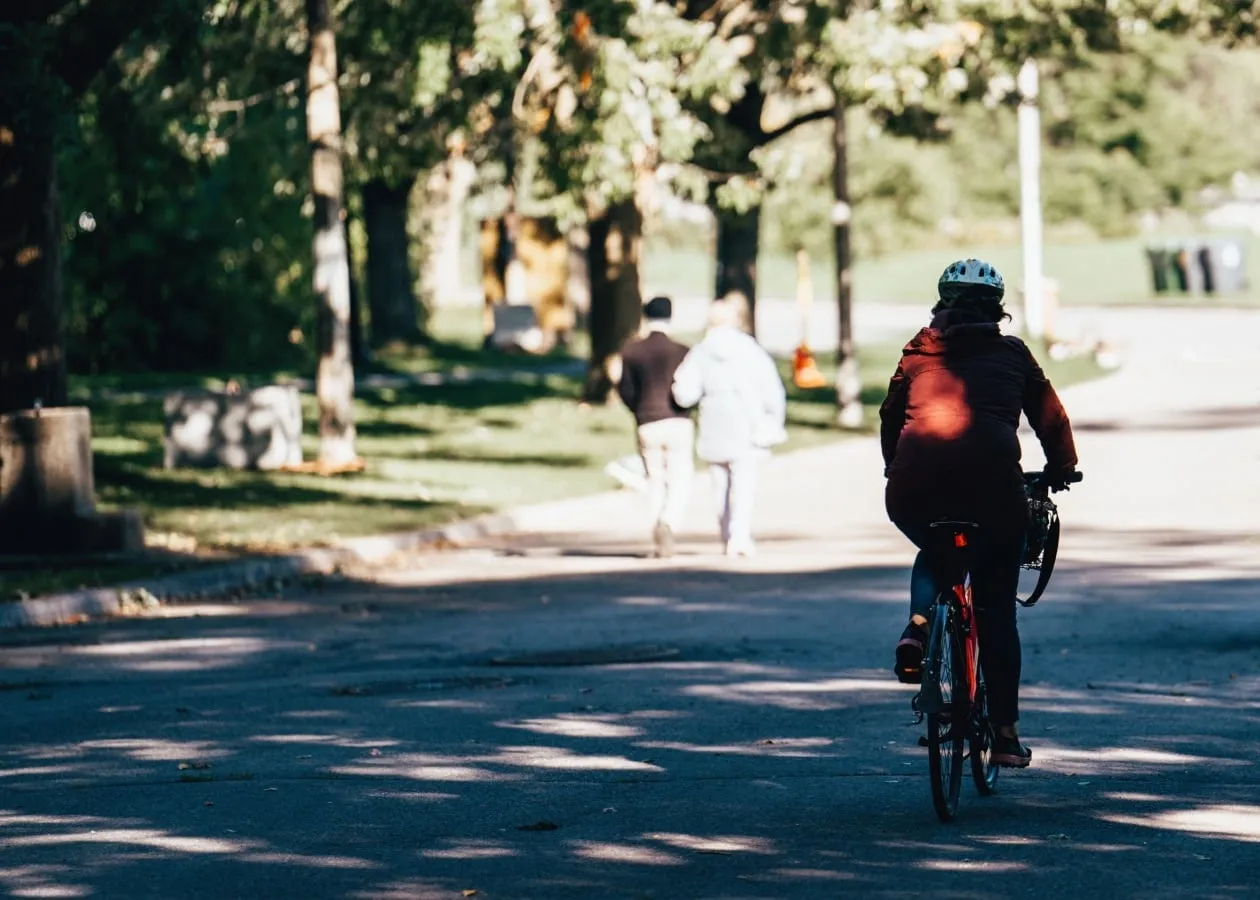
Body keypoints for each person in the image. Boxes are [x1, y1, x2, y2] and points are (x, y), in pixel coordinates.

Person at [879, 258, 1078, 769]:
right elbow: (1049, 416)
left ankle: (918, 627)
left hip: (915, 488)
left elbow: (890, 416)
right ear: (998, 309)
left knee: (935, 546)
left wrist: (894, 467)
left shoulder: (919, 353)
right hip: (994, 490)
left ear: (944, 303)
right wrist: (1062, 467)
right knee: (995, 613)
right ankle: (1007, 738)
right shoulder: (1012, 354)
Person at [672, 296, 787, 558]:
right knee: (743, 483)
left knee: (719, 484)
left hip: (713, 419)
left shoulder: (701, 351)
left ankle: (725, 534)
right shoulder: (749, 349)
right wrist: (772, 419)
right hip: (745, 420)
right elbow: (770, 387)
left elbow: (686, 392)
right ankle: (740, 536)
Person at [617, 295, 694, 558]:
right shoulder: (683, 351)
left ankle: (656, 522)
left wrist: (637, 410)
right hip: (677, 420)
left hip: (647, 421)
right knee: (680, 476)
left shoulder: (631, 351)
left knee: (655, 479)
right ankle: (669, 521)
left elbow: (625, 388)